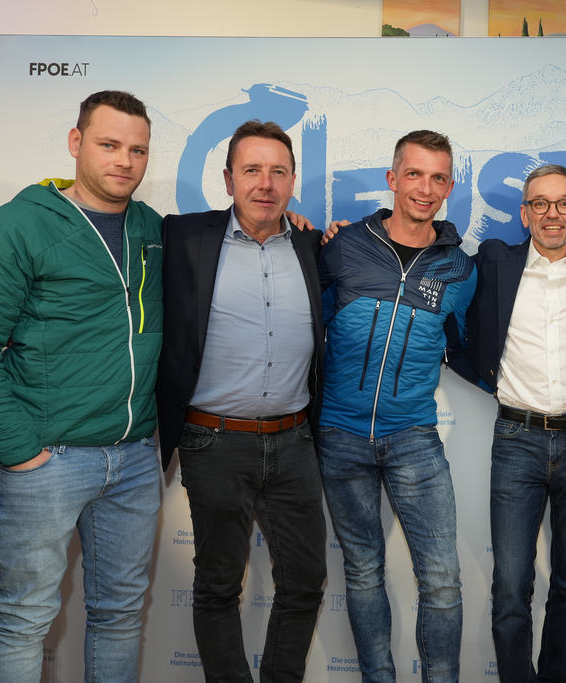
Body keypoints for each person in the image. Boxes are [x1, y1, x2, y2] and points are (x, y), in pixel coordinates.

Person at [0, 90, 162, 682]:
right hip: (47, 461)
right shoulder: (12, 228)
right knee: (24, 620)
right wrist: (21, 452)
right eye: (109, 144)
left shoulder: (151, 228)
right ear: (75, 142)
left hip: (134, 459)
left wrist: (298, 228)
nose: (124, 160)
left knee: (120, 615)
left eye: (138, 150)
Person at [154, 120, 326, 683]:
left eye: (278, 172)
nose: (265, 184)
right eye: (252, 170)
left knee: (305, 582)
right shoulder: (183, 236)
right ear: (228, 180)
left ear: (293, 181)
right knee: (218, 586)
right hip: (213, 442)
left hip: (295, 443)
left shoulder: (311, 244)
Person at [316, 130, 476, 683]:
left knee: (442, 581)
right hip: (339, 436)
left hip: (414, 438)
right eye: (414, 174)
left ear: (449, 187)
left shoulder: (459, 269)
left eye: (437, 178)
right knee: (363, 573)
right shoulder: (344, 245)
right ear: (392, 179)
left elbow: (467, 346)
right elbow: (305, 323)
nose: (425, 188)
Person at [458, 164, 566, 683]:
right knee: (511, 588)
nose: (553, 214)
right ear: (525, 213)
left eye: (564, 203)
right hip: (516, 440)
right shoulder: (494, 262)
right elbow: (436, 272)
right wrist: (486, 377)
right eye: (540, 204)